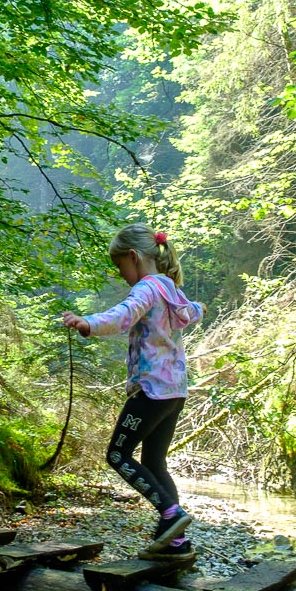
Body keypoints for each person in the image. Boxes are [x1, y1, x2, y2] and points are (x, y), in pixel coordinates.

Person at [61, 224, 205, 558]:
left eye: (120, 267)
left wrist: (89, 323)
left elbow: (123, 315)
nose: (122, 275)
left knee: (117, 454)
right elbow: (191, 312)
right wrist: (202, 308)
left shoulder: (148, 288)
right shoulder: (170, 288)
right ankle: (176, 543)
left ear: (134, 257)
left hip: (152, 391)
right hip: (175, 391)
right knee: (154, 461)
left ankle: (172, 515)